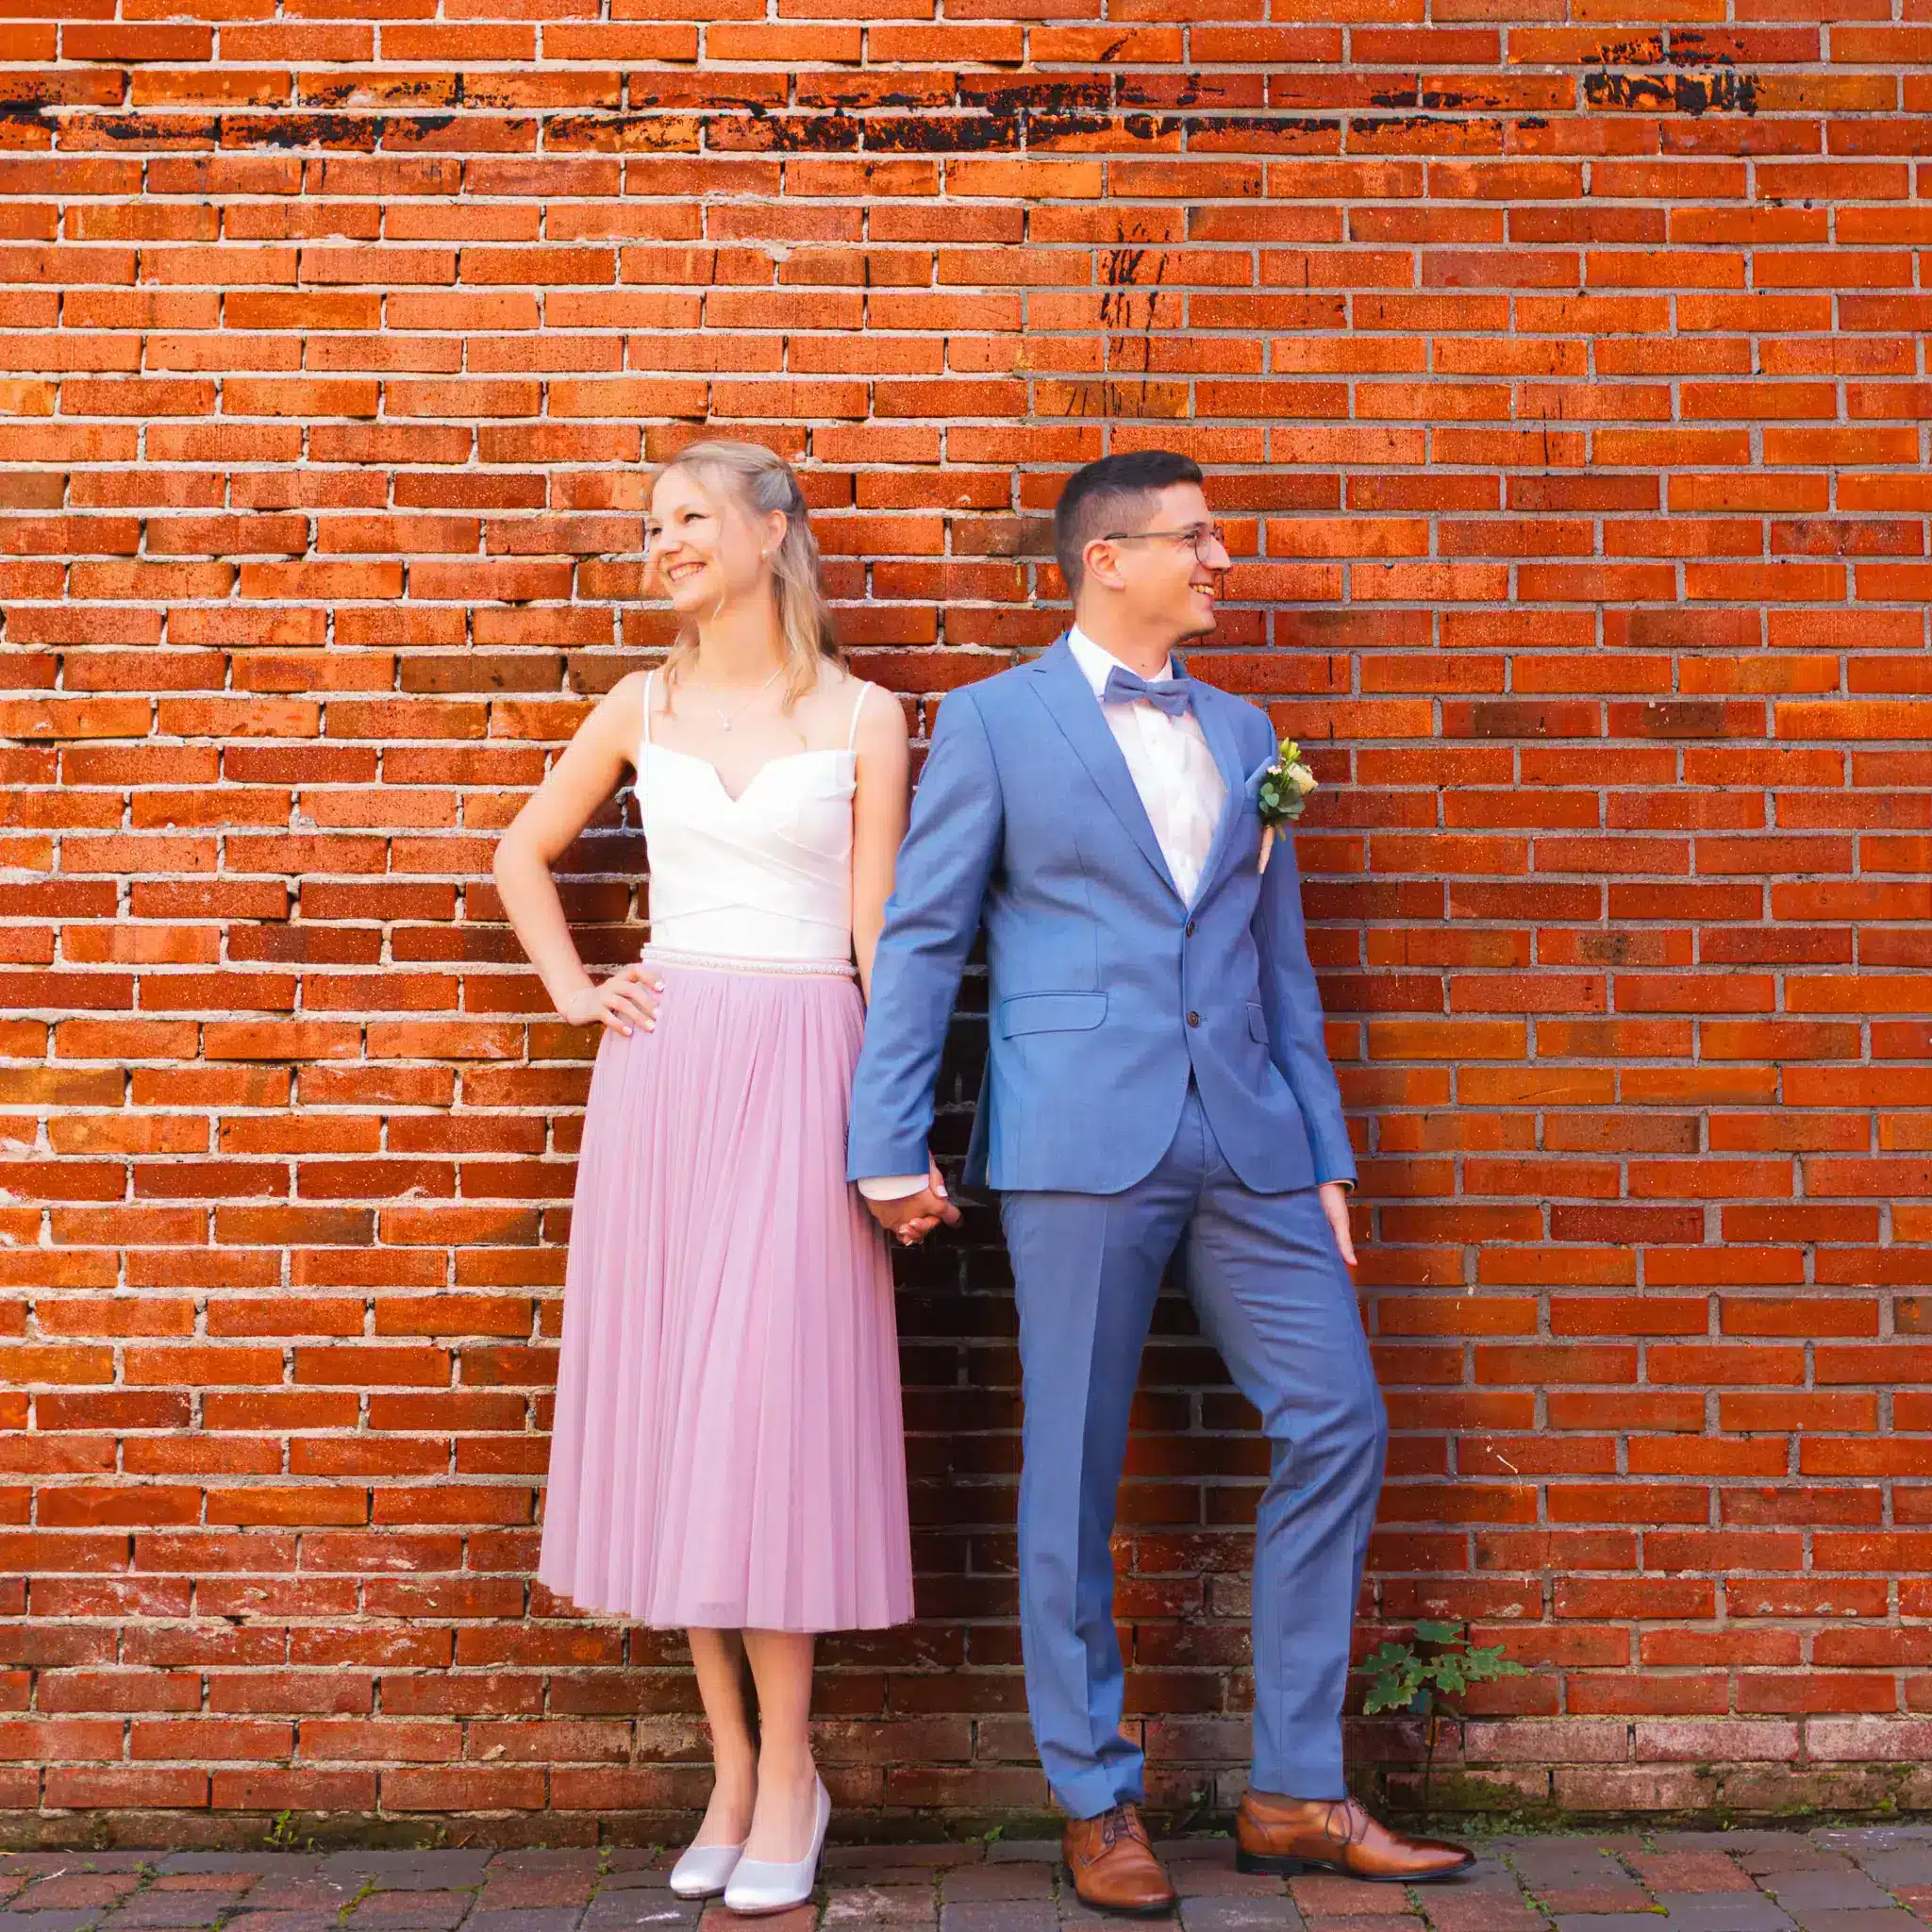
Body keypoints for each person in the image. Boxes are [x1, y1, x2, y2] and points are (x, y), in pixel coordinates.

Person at [847, 450, 1473, 1910]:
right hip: (1077, 1133)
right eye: (1198, 540)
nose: (1222, 561)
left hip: (1250, 1141)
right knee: (1071, 1463)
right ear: (1106, 559)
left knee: (1340, 1421)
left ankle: (1297, 1789)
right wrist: (889, 1136)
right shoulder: (998, 725)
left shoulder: (1248, 725)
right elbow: (928, 937)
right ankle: (1094, 1798)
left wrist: (1324, 1153)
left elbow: (1278, 964)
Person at [493, 439, 920, 1917]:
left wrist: (894, 1127)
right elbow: (520, 855)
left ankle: (793, 1773)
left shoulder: (867, 715)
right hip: (665, 1077)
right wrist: (574, 991)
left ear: (769, 530)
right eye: (652, 525)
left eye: (686, 519)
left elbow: (882, 940)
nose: (662, 542)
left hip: (807, 1060)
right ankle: (730, 1772)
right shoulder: (639, 703)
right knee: (686, 1418)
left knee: (766, 1418)